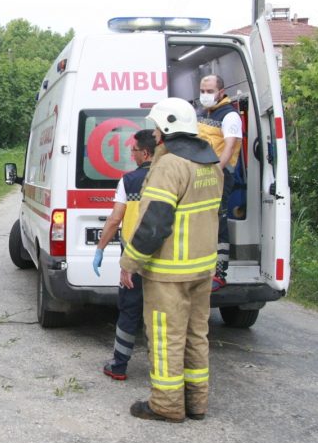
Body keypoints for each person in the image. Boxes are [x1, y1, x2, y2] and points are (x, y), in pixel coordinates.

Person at [119, 97, 223, 423]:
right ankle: (196, 403)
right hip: (202, 268)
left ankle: (165, 405)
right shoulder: (211, 163)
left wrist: (129, 262)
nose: (154, 133)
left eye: (156, 127)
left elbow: (154, 223)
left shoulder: (169, 165)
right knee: (196, 336)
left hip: (170, 272)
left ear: (165, 129)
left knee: (167, 338)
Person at [92, 129, 156, 381]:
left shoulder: (129, 181)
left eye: (134, 150)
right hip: (165, 259)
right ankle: (161, 367)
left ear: (146, 152)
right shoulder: (173, 176)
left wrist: (100, 248)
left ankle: (119, 365)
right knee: (161, 313)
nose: (132, 154)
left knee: (129, 311)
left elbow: (115, 219)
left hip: (134, 259)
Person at [197, 74, 242, 291]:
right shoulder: (203, 112)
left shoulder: (230, 115)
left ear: (221, 92)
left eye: (209, 91)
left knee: (218, 219)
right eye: (202, 91)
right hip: (199, 175)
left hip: (219, 175)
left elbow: (229, 147)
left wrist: (217, 171)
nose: (205, 95)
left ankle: (220, 272)